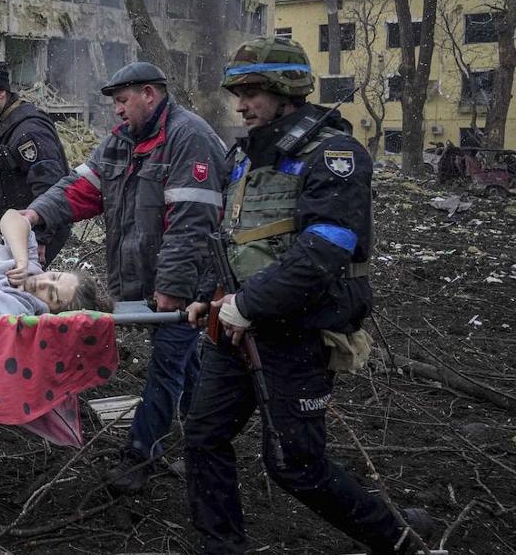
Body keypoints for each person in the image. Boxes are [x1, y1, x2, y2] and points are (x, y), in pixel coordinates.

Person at [182, 37, 432, 554]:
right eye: (238, 94)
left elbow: (326, 248)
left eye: (252, 93)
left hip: (296, 333)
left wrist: (247, 305)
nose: (241, 105)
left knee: (294, 464)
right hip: (235, 328)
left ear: (285, 91)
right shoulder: (247, 156)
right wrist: (210, 295)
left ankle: (399, 539)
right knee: (203, 436)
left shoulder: (334, 155)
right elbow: (233, 238)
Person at [22, 61, 227, 492]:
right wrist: (35, 214)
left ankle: (140, 455)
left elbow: (192, 223)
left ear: (149, 94)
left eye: (122, 101)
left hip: (186, 281)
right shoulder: (121, 142)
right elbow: (80, 188)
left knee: (167, 365)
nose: (116, 110)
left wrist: (172, 287)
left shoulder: (189, 138)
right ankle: (203, 438)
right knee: (184, 360)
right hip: (147, 280)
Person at [0, 59, 69, 266]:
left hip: (29, 233)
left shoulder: (28, 131)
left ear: (1, 93)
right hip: (9, 231)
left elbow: (50, 187)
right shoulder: (1, 125)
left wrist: (40, 238)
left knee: (17, 284)